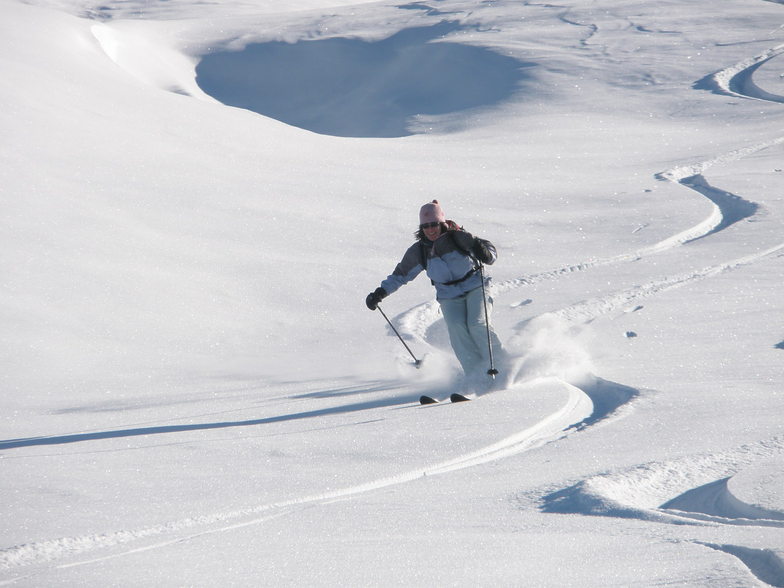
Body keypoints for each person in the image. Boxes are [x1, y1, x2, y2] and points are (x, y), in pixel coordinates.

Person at [366, 200, 504, 386]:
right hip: (448, 294)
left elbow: (491, 253)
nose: (430, 230)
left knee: (477, 324)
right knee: (457, 330)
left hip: (475, 286)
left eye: (434, 225)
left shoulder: (460, 238)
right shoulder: (419, 252)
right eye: (425, 226)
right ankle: (475, 375)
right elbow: (400, 275)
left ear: (442, 224)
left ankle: (501, 366)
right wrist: (380, 292)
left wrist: (484, 252)